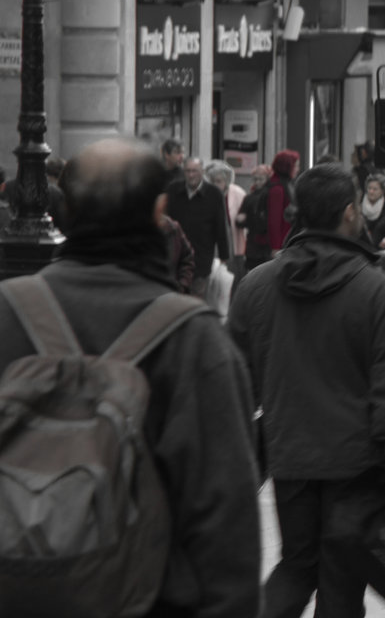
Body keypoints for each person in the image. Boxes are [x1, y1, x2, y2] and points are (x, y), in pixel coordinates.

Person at [0, 138, 261, 616]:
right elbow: (227, 529)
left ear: (66, 209)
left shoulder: (7, 312)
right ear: (159, 210)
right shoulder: (194, 341)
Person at [228, 163, 385, 618]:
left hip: (289, 456)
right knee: (341, 576)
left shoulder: (256, 287)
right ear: (350, 213)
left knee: (297, 565)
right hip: (355, 463)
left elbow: (235, 381)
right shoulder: (377, 292)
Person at [166, 157, 231, 300]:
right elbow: (165, 220)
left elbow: (220, 225)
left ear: (202, 172)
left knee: (196, 297)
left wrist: (224, 255)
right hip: (176, 257)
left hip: (201, 257)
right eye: (187, 171)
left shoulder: (214, 194)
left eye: (194, 171)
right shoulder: (173, 190)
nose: (191, 175)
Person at [206, 160, 247, 277]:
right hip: (211, 241)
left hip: (233, 242)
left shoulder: (238, 193)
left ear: (227, 181)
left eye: (218, 181)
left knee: (232, 276)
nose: (215, 184)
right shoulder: (206, 194)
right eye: (212, 181)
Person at [239, 163, 275, 271]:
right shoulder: (250, 197)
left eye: (261, 179)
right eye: (255, 179)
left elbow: (242, 218)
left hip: (260, 242)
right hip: (255, 242)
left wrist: (245, 219)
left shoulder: (257, 197)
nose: (258, 182)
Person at [267, 150, 301, 254]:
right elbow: (274, 220)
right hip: (280, 245)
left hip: (284, 242)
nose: (298, 170)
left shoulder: (285, 184)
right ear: (287, 167)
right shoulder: (278, 188)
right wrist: (276, 247)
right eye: (296, 166)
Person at [160, 212, 196, 293]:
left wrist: (182, 285)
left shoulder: (171, 228)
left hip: (170, 295)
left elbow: (187, 258)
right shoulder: (130, 230)